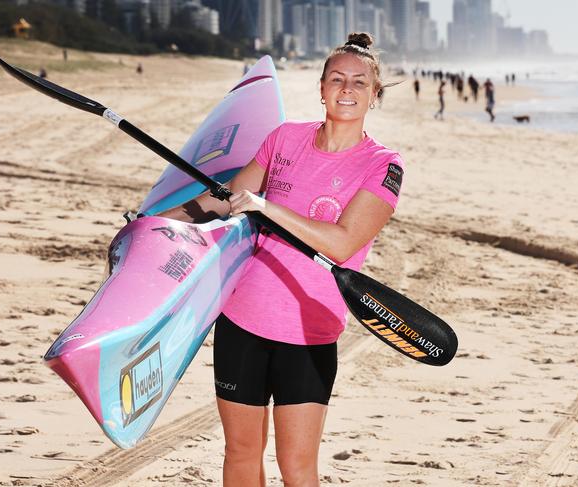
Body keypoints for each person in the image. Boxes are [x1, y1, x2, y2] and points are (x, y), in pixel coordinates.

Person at [159, 32, 403, 486]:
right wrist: (151, 222)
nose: (346, 89)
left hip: (309, 330)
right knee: (241, 453)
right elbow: (225, 200)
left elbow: (343, 243)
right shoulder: (285, 139)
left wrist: (267, 206)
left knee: (297, 466)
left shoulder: (384, 164)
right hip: (242, 317)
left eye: (358, 82)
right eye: (337, 79)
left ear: (375, 94)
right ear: (322, 88)